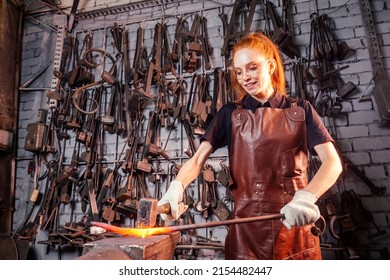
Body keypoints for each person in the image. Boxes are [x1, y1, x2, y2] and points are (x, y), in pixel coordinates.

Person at [157, 32, 343, 260]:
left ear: (271, 66)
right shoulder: (230, 114)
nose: (245, 77)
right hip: (246, 231)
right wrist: (176, 188)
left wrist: (306, 197)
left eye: (252, 68)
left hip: (295, 224)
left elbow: (332, 163)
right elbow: (197, 160)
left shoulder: (300, 109)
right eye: (239, 72)